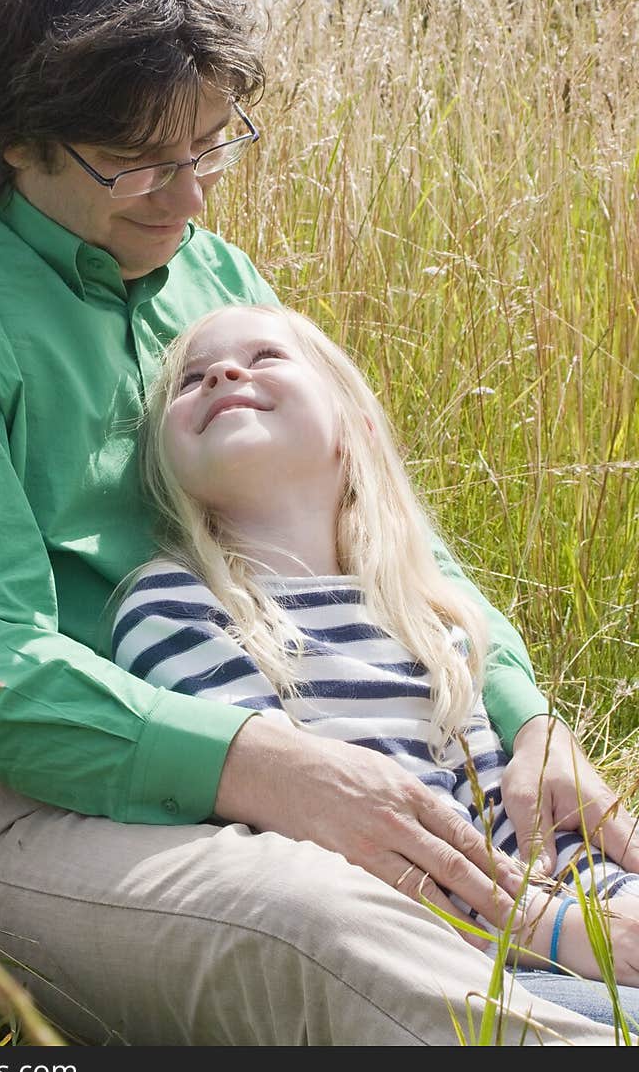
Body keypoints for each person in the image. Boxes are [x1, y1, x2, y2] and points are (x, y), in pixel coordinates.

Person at [0, 0, 638, 1045]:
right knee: (314, 926)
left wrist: (528, 719)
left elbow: (367, 516)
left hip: (307, 735)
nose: (189, 198)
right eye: (136, 162)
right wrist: (271, 773)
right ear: (12, 139)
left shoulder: (208, 271)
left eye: (213, 144)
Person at [112, 301, 639, 994]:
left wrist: (614, 906)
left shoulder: (421, 613)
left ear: (352, 428)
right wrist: (565, 933)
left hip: (557, 922)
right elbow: (310, 840)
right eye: (190, 379)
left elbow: (508, 824)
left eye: (266, 357)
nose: (224, 374)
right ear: (167, 465)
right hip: (434, 959)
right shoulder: (178, 609)